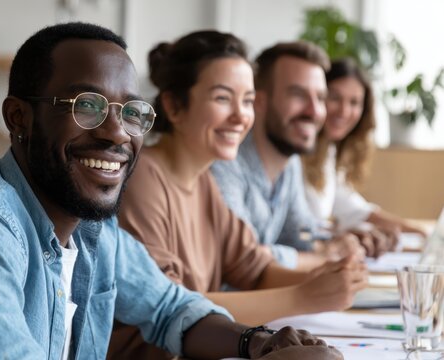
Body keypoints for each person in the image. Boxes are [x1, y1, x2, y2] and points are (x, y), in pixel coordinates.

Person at [0, 23, 342, 360]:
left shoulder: (93, 231)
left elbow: (173, 309)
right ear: (19, 118)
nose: (117, 133)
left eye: (131, 112)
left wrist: (259, 343)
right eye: (86, 106)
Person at [108, 31, 365, 360]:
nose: (241, 116)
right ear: (173, 106)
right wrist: (305, 294)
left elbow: (254, 269)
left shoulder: (202, 182)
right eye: (222, 98)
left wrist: (327, 279)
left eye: (246, 101)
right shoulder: (142, 179)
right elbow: (176, 307)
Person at [211, 41, 365, 270]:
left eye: (321, 98)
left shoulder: (290, 161)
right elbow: (242, 259)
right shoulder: (223, 163)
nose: (314, 112)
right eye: (298, 95)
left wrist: (340, 243)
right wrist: (323, 257)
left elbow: (300, 234)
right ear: (259, 101)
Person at [301, 58, 426, 257]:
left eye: (354, 102)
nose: (344, 111)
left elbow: (356, 210)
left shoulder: (328, 153)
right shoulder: (296, 152)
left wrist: (421, 233)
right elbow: (299, 229)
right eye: (334, 97)